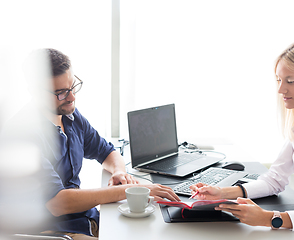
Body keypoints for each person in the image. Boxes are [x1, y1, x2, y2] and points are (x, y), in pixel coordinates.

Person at [190, 40, 294, 236]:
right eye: (278, 80)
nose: (281, 90)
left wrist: (268, 218)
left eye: (290, 81)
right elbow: (275, 179)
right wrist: (222, 192)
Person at [26, 48, 180, 240]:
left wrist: (118, 172)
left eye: (72, 87)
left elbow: (107, 151)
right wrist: (134, 190)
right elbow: (58, 203)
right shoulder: (25, 136)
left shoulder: (70, 116)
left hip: (85, 219)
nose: (72, 97)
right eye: (61, 93)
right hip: (55, 231)